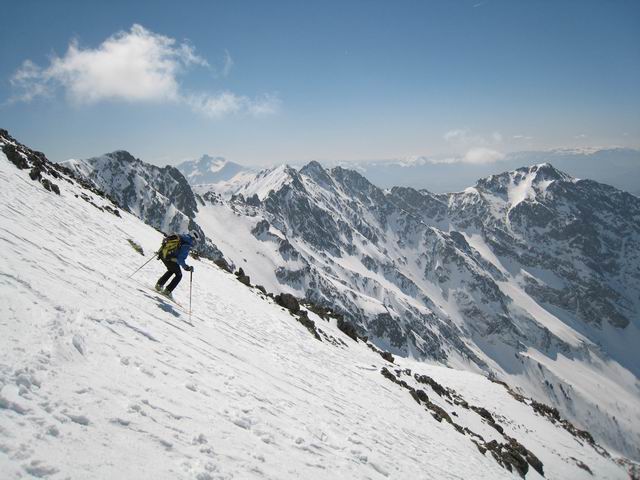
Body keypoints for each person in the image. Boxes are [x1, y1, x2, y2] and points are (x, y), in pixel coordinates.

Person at [155, 230, 199, 299]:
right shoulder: (187, 243)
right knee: (179, 275)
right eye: (194, 240)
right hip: (170, 258)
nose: (194, 242)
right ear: (193, 238)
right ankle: (167, 291)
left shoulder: (181, 236)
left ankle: (159, 285)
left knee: (171, 270)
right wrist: (186, 267)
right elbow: (180, 259)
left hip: (163, 255)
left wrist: (160, 253)